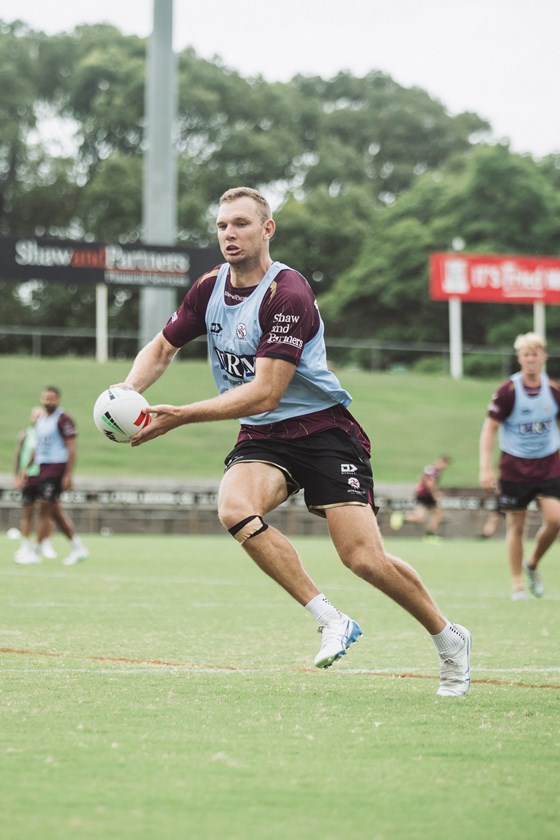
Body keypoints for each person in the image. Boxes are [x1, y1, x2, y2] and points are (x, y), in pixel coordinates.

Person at [118, 186, 471, 697]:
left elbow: (265, 392)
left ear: (267, 229)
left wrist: (179, 416)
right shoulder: (209, 287)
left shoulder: (290, 294)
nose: (228, 234)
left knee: (364, 560)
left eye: (240, 224)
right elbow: (162, 347)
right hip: (264, 437)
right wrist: (129, 392)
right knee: (233, 507)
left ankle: (449, 639)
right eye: (221, 226)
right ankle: (330, 618)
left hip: (323, 431)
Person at [479, 332, 560, 600]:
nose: (531, 359)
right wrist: (486, 467)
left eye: (536, 354)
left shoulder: (554, 390)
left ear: (543, 357)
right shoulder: (508, 391)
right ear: (520, 359)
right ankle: (517, 585)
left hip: (549, 463)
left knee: (555, 519)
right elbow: (490, 428)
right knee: (516, 526)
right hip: (515, 466)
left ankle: (532, 562)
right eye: (526, 354)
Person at [18, 386, 89, 566]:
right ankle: (77, 547)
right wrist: (26, 469)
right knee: (55, 512)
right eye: (45, 398)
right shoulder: (41, 420)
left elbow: (71, 447)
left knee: (44, 509)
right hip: (42, 467)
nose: (48, 401)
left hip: (57, 467)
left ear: (58, 399)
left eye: (52, 398)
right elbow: (37, 448)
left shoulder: (63, 419)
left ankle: (36, 551)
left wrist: (68, 474)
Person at [13, 406, 57, 563]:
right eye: (35, 416)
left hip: (45, 476)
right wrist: (17, 475)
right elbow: (19, 455)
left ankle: (46, 544)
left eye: (41, 416)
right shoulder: (26, 434)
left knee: (47, 513)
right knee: (28, 512)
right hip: (29, 477)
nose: (38, 419)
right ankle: (24, 545)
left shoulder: (50, 434)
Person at [389, 455, 451, 542]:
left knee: (434, 513)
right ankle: (402, 517)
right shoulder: (434, 470)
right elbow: (429, 484)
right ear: (442, 462)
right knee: (424, 516)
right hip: (426, 495)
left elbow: (422, 480)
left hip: (423, 494)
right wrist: (435, 495)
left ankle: (429, 534)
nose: (445, 467)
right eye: (445, 464)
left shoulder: (430, 469)